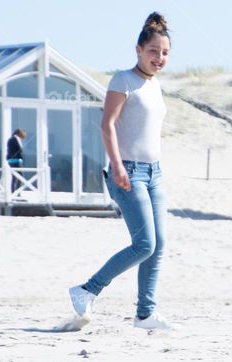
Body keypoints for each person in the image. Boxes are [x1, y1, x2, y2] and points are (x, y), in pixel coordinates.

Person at [68, 12, 175, 330]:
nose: (159, 58)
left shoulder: (154, 86)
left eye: (165, 53)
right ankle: (87, 289)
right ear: (139, 50)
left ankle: (144, 314)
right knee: (144, 245)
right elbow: (107, 125)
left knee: (158, 246)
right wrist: (117, 166)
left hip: (154, 174)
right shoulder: (123, 80)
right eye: (154, 51)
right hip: (127, 172)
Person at [6, 129, 26, 195]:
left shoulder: (11, 139)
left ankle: (13, 192)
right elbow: (19, 150)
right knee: (20, 176)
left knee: (14, 177)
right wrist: (21, 156)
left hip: (11, 160)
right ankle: (17, 193)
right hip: (15, 160)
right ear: (19, 133)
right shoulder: (15, 139)